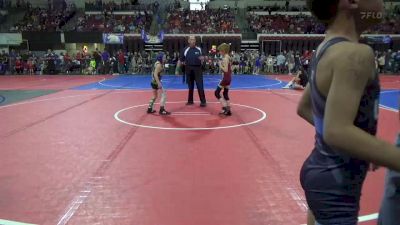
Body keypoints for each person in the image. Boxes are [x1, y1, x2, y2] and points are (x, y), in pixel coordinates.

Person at [297, 0, 400, 225]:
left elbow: (304, 107)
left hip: (321, 173)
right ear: (351, 2)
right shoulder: (356, 53)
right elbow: (337, 131)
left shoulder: (325, 49)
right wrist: (381, 153)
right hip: (335, 184)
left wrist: (361, 146)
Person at [176, 36, 207, 107]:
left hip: (198, 69)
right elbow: (180, 60)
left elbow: (206, 57)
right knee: (190, 86)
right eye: (191, 39)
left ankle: (203, 101)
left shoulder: (199, 49)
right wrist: (177, 70)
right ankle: (190, 101)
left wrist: (204, 58)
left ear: (195, 41)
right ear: (188, 41)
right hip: (188, 69)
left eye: (194, 39)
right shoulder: (185, 49)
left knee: (200, 85)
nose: (193, 40)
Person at [215, 43, 232, 116]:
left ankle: (225, 108)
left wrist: (220, 65)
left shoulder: (225, 58)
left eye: (220, 51)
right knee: (225, 94)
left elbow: (225, 69)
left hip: (226, 78)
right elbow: (230, 68)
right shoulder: (229, 57)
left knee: (216, 93)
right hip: (229, 77)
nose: (219, 52)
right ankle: (229, 111)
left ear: (223, 51)